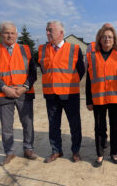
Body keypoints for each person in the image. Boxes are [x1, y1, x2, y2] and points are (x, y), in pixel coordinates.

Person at [0, 21, 37, 166]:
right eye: (6, 33)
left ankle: (28, 149)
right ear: (0, 34)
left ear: (17, 34)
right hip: (3, 95)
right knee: (6, 127)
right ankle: (9, 152)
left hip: (24, 93)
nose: (10, 35)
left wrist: (25, 87)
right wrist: (3, 87)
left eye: (12, 33)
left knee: (28, 124)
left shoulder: (26, 49)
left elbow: (33, 72)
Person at [38, 21, 85, 163]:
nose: (47, 33)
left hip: (70, 94)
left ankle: (76, 151)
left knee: (74, 124)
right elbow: (43, 69)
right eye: (46, 30)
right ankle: (56, 150)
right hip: (51, 94)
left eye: (50, 30)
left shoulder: (74, 48)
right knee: (53, 125)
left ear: (61, 33)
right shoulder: (41, 49)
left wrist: (69, 82)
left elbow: (81, 70)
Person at [86, 26, 117, 167]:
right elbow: (89, 79)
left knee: (115, 127)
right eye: (104, 36)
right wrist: (89, 100)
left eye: (110, 37)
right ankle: (99, 155)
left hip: (116, 98)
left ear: (114, 39)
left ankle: (114, 153)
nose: (107, 39)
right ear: (99, 38)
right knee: (99, 127)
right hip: (98, 98)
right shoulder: (93, 56)